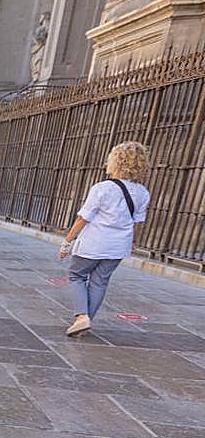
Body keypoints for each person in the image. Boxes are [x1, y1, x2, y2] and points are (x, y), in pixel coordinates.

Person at [58, 141, 151, 336]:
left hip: (93, 243)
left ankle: (82, 317)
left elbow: (83, 218)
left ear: (116, 162)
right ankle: (85, 321)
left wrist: (67, 241)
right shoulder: (143, 193)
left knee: (77, 276)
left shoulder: (102, 188)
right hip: (118, 247)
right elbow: (138, 222)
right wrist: (134, 241)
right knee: (100, 282)